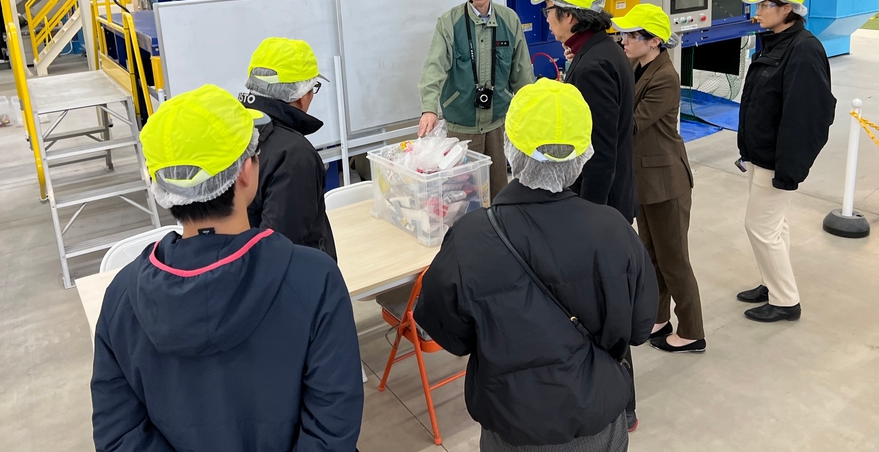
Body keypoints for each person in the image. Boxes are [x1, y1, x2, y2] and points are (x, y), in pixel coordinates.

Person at [91, 84, 363, 452]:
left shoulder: (121, 297)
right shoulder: (316, 279)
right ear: (247, 172)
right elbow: (334, 426)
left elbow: (119, 437)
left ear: (160, 187)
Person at [414, 79, 657, 451]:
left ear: (509, 148)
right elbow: (640, 328)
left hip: (511, 427)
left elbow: (449, 333)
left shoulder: (470, 237)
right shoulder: (616, 231)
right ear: (584, 154)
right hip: (597, 424)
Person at [737, 0, 836, 323]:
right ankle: (771, 282)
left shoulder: (804, 50)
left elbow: (808, 116)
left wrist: (789, 169)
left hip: (775, 160)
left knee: (759, 227)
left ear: (788, 10)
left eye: (766, 5)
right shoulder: (775, 42)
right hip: (759, 153)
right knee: (774, 227)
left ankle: (785, 300)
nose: (759, 10)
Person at [613, 4, 705, 354]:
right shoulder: (637, 67)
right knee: (651, 255)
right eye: (624, 34)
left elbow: (633, 123)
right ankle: (658, 316)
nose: (624, 40)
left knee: (674, 260)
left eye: (632, 35)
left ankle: (692, 330)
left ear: (654, 41)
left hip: (667, 181)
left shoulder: (665, 77)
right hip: (645, 179)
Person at [418, 0, 535, 199]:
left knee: (498, 190)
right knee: (462, 196)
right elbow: (434, 67)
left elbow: (522, 72)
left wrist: (531, 112)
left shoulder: (509, 20)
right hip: (461, 123)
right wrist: (429, 107)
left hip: (498, 123)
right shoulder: (449, 22)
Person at [534, 0, 638, 222]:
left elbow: (599, 152)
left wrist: (589, 218)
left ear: (568, 15)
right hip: (613, 198)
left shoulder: (593, 67)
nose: (547, 19)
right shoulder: (606, 50)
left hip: (602, 207)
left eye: (549, 10)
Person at [241, 37, 337, 260]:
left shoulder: (230, 130)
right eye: (313, 88)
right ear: (302, 96)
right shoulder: (294, 154)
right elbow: (281, 250)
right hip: (297, 277)